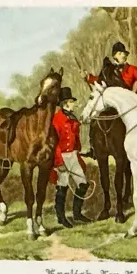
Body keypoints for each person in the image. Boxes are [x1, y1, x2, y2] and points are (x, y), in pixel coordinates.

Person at [50, 87, 89, 228]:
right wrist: (58, 162)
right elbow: (54, 143)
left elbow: (76, 138)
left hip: (73, 155)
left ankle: (77, 213)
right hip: (61, 156)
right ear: (65, 103)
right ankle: (60, 217)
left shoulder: (73, 118)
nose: (74, 104)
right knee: (63, 186)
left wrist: (79, 151)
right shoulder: (56, 119)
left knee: (83, 184)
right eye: (72, 102)